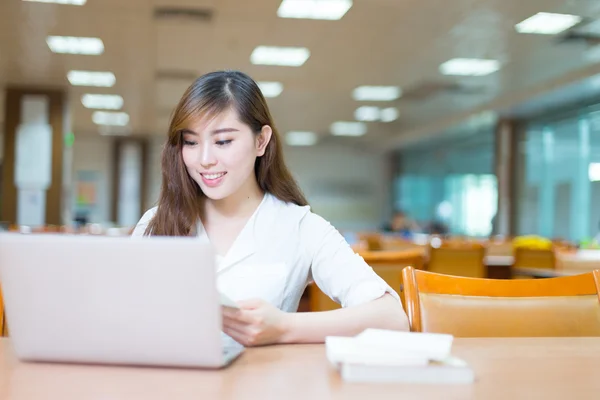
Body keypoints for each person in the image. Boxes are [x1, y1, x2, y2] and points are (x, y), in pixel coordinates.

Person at [131, 70, 408, 347]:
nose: (204, 159)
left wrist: (286, 327)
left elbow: (392, 318)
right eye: (191, 142)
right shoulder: (156, 223)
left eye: (223, 141)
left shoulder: (300, 226)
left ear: (261, 141)